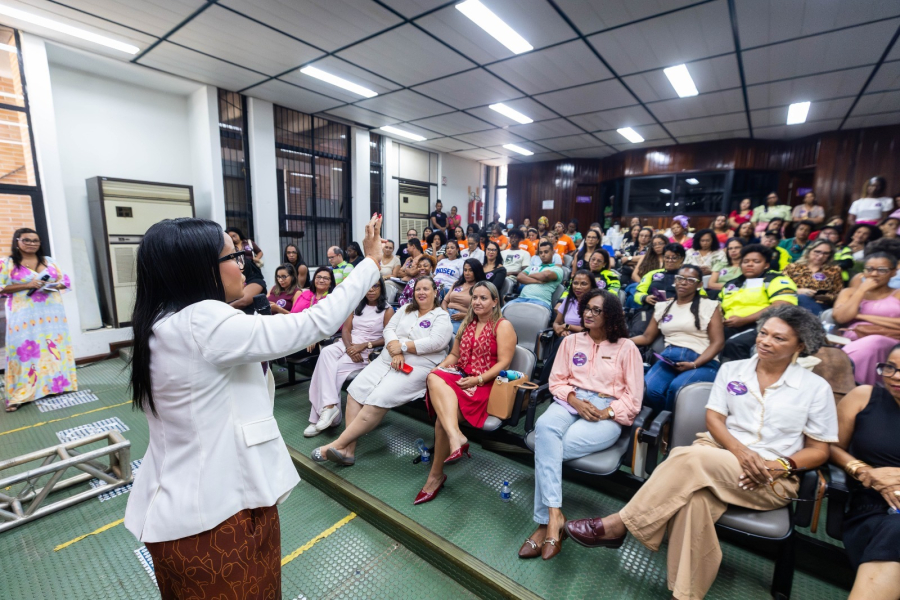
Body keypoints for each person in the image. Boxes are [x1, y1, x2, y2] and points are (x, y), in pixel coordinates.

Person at [124, 215, 384, 598]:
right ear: (200, 269)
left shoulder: (162, 320)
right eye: (233, 256)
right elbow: (315, 322)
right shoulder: (204, 321)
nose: (243, 264)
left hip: (181, 509)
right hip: (216, 517)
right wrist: (371, 263)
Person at [565, 306, 837, 600]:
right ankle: (685, 595)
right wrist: (741, 453)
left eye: (779, 338)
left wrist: (779, 465)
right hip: (719, 453)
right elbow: (714, 420)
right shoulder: (733, 370)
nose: (765, 341)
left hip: (770, 476)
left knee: (686, 457)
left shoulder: (815, 388)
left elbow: (819, 450)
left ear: (800, 346)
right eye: (763, 333)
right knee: (694, 501)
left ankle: (619, 524)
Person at [522, 289, 642, 560]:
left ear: (610, 315)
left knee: (548, 448)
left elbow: (633, 399)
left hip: (606, 410)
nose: (588, 313)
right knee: (545, 427)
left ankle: (544, 524)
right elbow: (556, 381)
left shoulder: (627, 348)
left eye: (597, 310)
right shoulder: (571, 341)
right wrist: (575, 401)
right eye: (587, 308)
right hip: (571, 400)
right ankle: (554, 517)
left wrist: (607, 411)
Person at [312, 276, 452, 466]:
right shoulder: (405, 309)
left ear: (435, 292)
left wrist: (402, 347)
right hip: (388, 359)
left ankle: (337, 444)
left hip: (418, 366)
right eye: (418, 289)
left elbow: (436, 342)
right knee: (355, 391)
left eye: (426, 289)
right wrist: (396, 350)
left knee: (378, 399)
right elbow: (389, 329)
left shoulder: (441, 316)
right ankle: (348, 451)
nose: (421, 292)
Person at [417, 282, 516, 504]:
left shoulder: (502, 326)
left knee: (443, 420)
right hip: (462, 375)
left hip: (486, 383)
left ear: (495, 301)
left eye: (483, 298)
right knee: (433, 376)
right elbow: (454, 355)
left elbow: (504, 363)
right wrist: (440, 368)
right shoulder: (467, 322)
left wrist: (478, 379)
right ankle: (456, 437)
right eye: (475, 298)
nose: (477, 302)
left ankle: (435, 475)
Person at [830, 347, 900, 599]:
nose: (895, 376)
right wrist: (863, 471)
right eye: (890, 367)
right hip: (872, 507)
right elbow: (831, 447)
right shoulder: (864, 396)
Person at [304, 280, 394, 437]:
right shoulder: (356, 306)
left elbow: (389, 337)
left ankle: (322, 417)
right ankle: (330, 407)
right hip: (348, 345)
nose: (371, 290)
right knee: (326, 352)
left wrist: (364, 345)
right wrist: (349, 349)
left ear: (381, 288)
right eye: (368, 287)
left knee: (332, 370)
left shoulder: (387, 310)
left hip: (367, 350)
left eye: (376, 286)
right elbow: (346, 330)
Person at [631, 265, 724, 413]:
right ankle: (662, 418)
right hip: (670, 358)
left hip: (702, 360)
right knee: (650, 389)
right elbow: (647, 337)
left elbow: (718, 342)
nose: (683, 282)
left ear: (699, 285)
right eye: (680, 278)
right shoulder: (663, 306)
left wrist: (694, 364)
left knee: (677, 389)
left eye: (690, 280)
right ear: (675, 281)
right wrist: (622, 340)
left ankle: (669, 424)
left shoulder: (710, 305)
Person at [0, 228, 75, 411]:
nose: (32, 243)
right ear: (17, 241)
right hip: (23, 315)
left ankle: (55, 386)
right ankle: (19, 395)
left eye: (35, 240)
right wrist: (28, 284)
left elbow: (65, 282)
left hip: (52, 315)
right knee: (23, 352)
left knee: (53, 349)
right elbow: (1, 287)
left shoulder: (49, 261)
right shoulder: (7, 263)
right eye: (26, 240)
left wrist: (51, 285)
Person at [719, 244, 798, 362]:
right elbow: (718, 306)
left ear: (766, 265)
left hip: (764, 325)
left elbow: (783, 305)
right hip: (731, 325)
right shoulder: (732, 284)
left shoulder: (777, 279)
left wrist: (744, 320)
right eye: (745, 261)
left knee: (734, 343)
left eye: (756, 261)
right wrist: (719, 318)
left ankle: (740, 373)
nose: (750, 264)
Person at [833, 252, 900, 387]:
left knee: (874, 341)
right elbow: (841, 317)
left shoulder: (897, 294)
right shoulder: (849, 292)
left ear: (893, 272)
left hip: (887, 340)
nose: (874, 274)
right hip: (851, 340)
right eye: (869, 269)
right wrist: (861, 291)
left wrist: (860, 316)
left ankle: (844, 380)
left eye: (882, 270)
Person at [538, 270, 597, 383]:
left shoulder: (595, 304)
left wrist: (567, 327)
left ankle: (546, 381)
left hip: (588, 340)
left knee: (563, 342)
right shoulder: (569, 301)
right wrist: (560, 330)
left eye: (583, 284)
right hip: (566, 338)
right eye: (575, 283)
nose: (578, 287)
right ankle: (548, 382)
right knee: (563, 341)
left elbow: (591, 329)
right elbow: (556, 323)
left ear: (591, 286)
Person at [783, 240, 843, 315]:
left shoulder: (834, 270)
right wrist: (797, 291)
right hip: (794, 302)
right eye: (817, 252)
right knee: (802, 297)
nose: (821, 256)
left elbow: (839, 294)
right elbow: (781, 287)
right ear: (809, 251)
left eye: (826, 253)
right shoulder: (792, 267)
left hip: (821, 304)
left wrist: (827, 297)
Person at [511, 241, 564, 311]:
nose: (543, 255)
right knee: (503, 313)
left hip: (540, 302)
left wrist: (528, 275)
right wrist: (537, 281)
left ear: (553, 252)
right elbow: (519, 277)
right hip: (521, 299)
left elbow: (546, 275)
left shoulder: (557, 269)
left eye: (546, 252)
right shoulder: (532, 267)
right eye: (540, 253)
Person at [442, 259, 486, 334]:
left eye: (470, 270)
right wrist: (445, 311)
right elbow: (445, 301)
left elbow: (483, 312)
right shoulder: (457, 283)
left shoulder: (480, 288)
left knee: (448, 334)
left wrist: (465, 315)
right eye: (465, 270)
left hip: (463, 318)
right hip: (447, 314)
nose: (467, 273)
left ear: (477, 271)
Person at [227, 229, 267, 310]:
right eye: (230, 237)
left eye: (234, 236)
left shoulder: (248, 242)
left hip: (252, 268)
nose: (233, 238)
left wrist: (256, 259)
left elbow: (243, 301)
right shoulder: (231, 247)